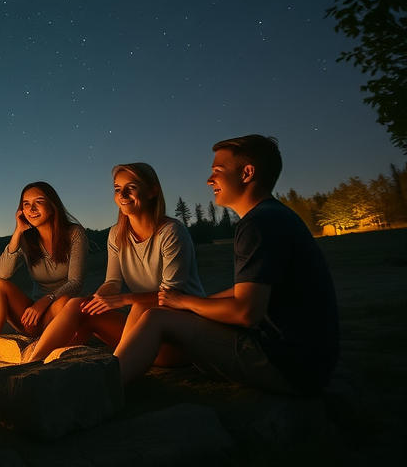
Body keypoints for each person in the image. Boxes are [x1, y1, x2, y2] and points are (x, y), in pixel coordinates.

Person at [115, 135, 339, 395]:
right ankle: (114, 371)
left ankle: (103, 387)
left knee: (156, 318)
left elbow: (246, 312)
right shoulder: (273, 215)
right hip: (308, 362)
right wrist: (195, 304)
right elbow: (247, 290)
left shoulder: (259, 225)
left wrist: (185, 302)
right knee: (155, 309)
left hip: (287, 364)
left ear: (247, 173)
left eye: (217, 171)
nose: (209, 180)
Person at [27, 163, 205, 362]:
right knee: (79, 305)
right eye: (118, 189)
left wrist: (123, 299)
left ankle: (118, 367)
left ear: (152, 191)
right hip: (142, 325)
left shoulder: (171, 232)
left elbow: (171, 295)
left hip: (180, 336)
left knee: (137, 308)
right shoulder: (116, 234)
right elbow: (112, 282)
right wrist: (95, 299)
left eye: (132, 187)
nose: (123, 194)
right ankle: (34, 362)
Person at [0, 181, 88, 337]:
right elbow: (3, 273)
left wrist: (47, 300)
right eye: (26, 204)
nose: (31, 209)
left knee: (63, 301)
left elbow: (76, 282)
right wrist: (18, 232)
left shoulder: (74, 233)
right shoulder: (27, 239)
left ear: (52, 206)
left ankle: (47, 341)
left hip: (65, 314)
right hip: (34, 317)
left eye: (38, 202)